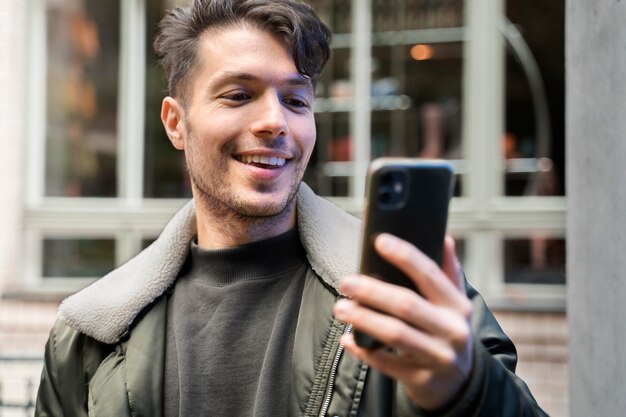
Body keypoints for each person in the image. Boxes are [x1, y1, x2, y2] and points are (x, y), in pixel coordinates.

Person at [35, 1, 548, 416]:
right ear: (175, 123)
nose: (275, 122)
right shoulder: (90, 333)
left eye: (296, 101)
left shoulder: (402, 296)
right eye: (238, 95)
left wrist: (470, 390)